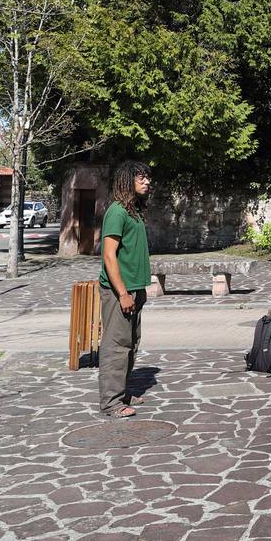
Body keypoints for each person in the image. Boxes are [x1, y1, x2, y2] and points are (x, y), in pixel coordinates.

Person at [97, 161, 152, 418]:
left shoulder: (133, 211)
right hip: (119, 292)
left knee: (131, 344)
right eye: (140, 178)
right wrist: (122, 293)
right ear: (126, 181)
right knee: (116, 345)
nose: (147, 182)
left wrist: (136, 291)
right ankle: (111, 402)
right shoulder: (117, 212)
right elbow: (109, 256)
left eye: (147, 178)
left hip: (134, 290)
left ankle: (121, 391)